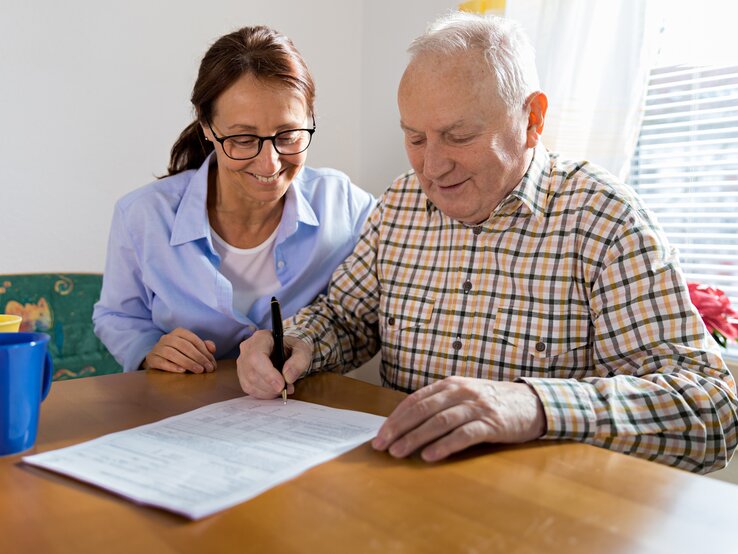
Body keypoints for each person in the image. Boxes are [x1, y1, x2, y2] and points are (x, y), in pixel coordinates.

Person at [236, 12, 738, 473]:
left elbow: (712, 410)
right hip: (399, 494)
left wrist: (535, 406)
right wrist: (295, 343)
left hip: (543, 511)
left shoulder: (604, 220)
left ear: (532, 120)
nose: (431, 168)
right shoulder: (401, 205)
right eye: (414, 138)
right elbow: (344, 319)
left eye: (458, 136)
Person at [93, 26, 375, 374]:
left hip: (299, 413)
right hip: (183, 410)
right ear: (207, 127)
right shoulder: (143, 215)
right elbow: (117, 315)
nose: (270, 163)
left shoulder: (345, 205)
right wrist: (149, 349)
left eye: (288, 135)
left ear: (310, 119)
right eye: (243, 139)